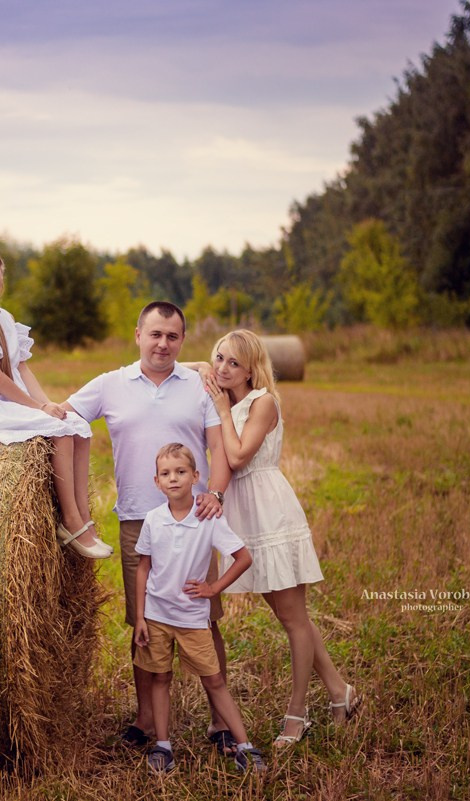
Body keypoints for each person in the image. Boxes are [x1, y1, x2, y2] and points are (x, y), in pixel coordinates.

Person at [64, 301, 237, 753]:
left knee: (206, 616)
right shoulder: (109, 385)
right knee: (144, 621)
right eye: (155, 334)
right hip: (138, 519)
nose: (163, 343)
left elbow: (219, 449)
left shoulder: (199, 386)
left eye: (173, 336)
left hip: (195, 518)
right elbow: (62, 416)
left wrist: (214, 496)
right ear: (138, 334)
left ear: (182, 340)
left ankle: (221, 722)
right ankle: (145, 720)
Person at [197, 329, 361, 747]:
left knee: (292, 620)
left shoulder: (262, 402)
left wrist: (218, 404)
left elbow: (236, 457)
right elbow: (183, 369)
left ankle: (297, 713)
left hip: (269, 513)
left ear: (252, 368)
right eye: (219, 359)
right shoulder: (226, 395)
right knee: (293, 617)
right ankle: (341, 693)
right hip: (243, 516)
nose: (223, 368)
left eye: (234, 362)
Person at [0, 243, 110, 558]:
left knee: (75, 425)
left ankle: (84, 520)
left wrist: (49, 403)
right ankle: (69, 522)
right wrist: (39, 409)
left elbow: (21, 367)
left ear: (2, 269)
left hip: (8, 392)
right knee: (59, 433)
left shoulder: (4, 316)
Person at [134, 443, 264, 774]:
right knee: (160, 678)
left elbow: (243, 557)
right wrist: (139, 618)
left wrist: (213, 589)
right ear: (156, 481)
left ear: (196, 477)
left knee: (214, 680)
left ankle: (245, 747)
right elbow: (143, 569)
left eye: (180, 472)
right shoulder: (153, 520)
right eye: (166, 473)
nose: (173, 479)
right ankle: (163, 747)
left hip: (192, 618)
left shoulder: (207, 518)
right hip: (156, 616)